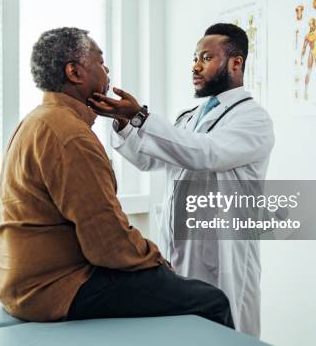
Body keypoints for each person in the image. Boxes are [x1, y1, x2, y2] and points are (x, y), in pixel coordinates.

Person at [0, 27, 234, 329]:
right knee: (213, 302)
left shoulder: (38, 120)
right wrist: (156, 259)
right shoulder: (71, 136)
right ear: (75, 72)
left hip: (19, 280)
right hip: (53, 287)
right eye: (101, 61)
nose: (107, 70)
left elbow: (195, 153)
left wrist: (129, 120)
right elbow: (108, 245)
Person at [88, 23, 275, 337]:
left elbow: (205, 155)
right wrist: (125, 123)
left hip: (224, 252)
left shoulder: (253, 119)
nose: (195, 66)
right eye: (194, 57)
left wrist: (141, 118)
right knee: (187, 333)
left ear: (236, 63)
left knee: (229, 331)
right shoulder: (189, 117)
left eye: (205, 58)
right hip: (180, 247)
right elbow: (151, 159)